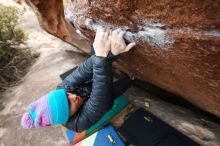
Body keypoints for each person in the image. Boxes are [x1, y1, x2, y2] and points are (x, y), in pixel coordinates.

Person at [21, 26, 136, 132]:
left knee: (96, 55)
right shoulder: (78, 124)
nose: (73, 96)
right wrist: (102, 56)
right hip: (104, 100)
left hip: (91, 88)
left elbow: (84, 70)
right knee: (121, 85)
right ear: (67, 117)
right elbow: (99, 100)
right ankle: (132, 78)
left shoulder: (62, 89)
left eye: (66, 95)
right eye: (68, 104)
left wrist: (110, 54)